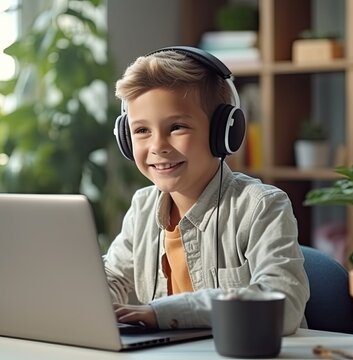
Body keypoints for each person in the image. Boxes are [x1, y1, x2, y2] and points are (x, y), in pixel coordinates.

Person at [104, 46, 309, 335]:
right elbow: (111, 277)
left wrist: (161, 313)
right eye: (141, 131)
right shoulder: (143, 208)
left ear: (223, 132)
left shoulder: (261, 207)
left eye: (177, 127)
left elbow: (282, 304)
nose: (157, 146)